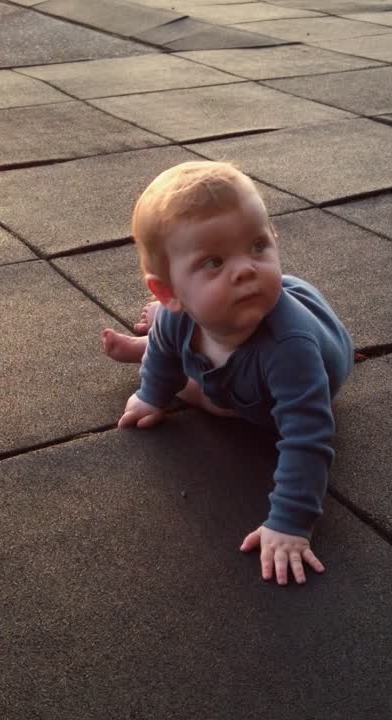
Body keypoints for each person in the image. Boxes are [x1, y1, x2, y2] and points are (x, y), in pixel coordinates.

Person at [101, 161, 353, 586]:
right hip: (204, 326)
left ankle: (168, 358)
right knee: (170, 344)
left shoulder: (289, 350)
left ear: (274, 238)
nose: (245, 269)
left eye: (258, 246)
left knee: (217, 401)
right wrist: (151, 394)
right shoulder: (173, 318)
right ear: (168, 292)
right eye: (215, 261)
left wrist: (291, 523)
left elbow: (308, 437)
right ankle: (144, 349)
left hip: (287, 383)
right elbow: (167, 352)